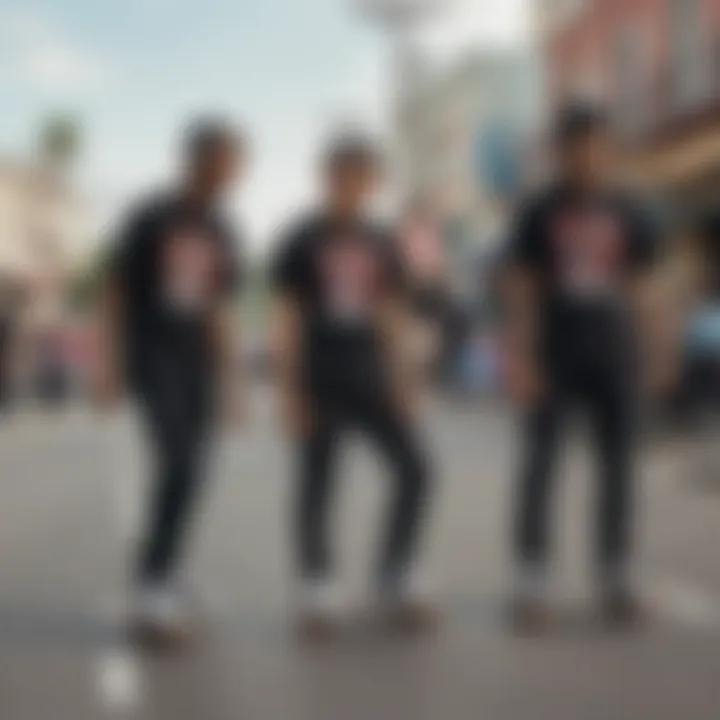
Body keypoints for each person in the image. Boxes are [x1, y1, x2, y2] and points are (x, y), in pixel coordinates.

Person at [504, 102, 664, 631]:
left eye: (597, 145)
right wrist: (523, 360)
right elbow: (523, 292)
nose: (588, 157)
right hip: (555, 356)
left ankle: (615, 574)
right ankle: (532, 578)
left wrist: (655, 350)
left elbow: (642, 287)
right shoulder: (537, 211)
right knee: (540, 467)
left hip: (614, 355)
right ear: (560, 152)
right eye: (576, 147)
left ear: (609, 150)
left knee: (617, 469)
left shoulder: (629, 210)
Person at [270, 134, 435, 637]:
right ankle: (318, 587)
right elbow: (288, 315)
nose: (351, 185)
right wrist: (289, 391)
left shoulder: (383, 241)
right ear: (325, 177)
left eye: (361, 176)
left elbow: (392, 313)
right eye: (342, 174)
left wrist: (406, 378)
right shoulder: (301, 238)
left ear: (373, 183)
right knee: (318, 483)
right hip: (319, 376)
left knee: (415, 469)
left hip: (371, 374)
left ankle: (395, 571)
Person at [95, 119, 246, 643]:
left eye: (236, 166)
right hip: (152, 357)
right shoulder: (150, 215)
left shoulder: (225, 228)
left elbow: (219, 308)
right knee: (178, 463)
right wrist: (106, 365)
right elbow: (114, 290)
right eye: (222, 162)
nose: (229, 175)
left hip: (197, 363)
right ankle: (153, 586)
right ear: (193, 160)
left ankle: (158, 574)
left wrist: (231, 381)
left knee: (193, 474)